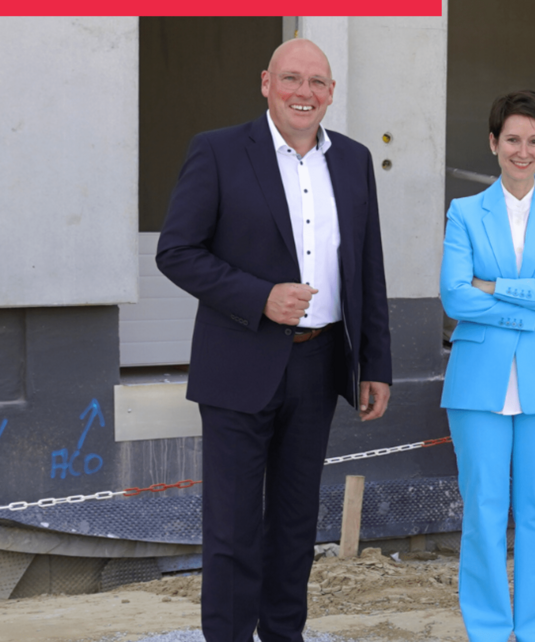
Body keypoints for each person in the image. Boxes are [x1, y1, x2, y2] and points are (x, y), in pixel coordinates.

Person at [156, 38, 392, 642]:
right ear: (266, 82)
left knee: (293, 525)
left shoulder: (354, 159)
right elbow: (176, 251)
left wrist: (375, 364)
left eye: (317, 82)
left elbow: (368, 267)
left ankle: (284, 635)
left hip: (318, 366)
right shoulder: (218, 151)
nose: (303, 93)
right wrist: (258, 296)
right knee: (233, 530)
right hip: (239, 364)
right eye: (292, 79)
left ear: (332, 92)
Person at [439, 90, 535, 642]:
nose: (522, 151)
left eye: (533, 141)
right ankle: (485, 630)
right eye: (512, 140)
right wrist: (534, 305)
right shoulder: (465, 212)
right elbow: (455, 298)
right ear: (493, 143)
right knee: (482, 511)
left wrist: (497, 288)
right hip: (479, 380)